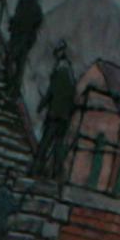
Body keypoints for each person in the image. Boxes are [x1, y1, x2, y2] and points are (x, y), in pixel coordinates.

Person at [33, 41, 75, 177]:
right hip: (64, 118)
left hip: (55, 115)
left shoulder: (59, 73)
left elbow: (52, 92)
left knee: (45, 143)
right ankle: (56, 174)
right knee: (58, 146)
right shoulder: (70, 75)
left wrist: (41, 106)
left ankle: (37, 169)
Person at [6, 0, 44, 86]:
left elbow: (20, 18)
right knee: (20, 65)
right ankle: (14, 89)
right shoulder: (35, 2)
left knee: (11, 59)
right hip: (27, 39)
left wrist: (13, 24)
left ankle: (10, 84)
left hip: (20, 36)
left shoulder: (25, 1)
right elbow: (38, 19)